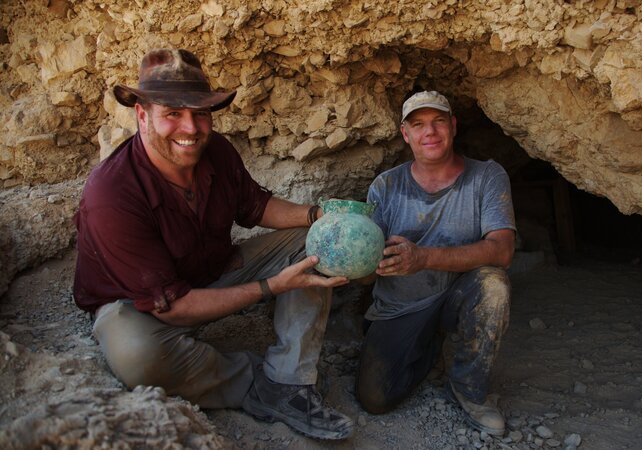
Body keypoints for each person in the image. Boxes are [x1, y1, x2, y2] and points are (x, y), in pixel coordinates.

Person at [72, 48, 354, 440]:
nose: (191, 127)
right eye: (172, 113)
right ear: (142, 115)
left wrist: (317, 216)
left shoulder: (215, 149)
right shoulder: (112, 194)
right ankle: (253, 385)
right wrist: (271, 287)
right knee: (137, 357)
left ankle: (289, 381)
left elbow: (253, 206)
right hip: (141, 305)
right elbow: (173, 307)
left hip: (211, 271)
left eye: (200, 112)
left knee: (317, 243)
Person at [355, 91, 516, 435]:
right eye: (418, 125)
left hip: (457, 296)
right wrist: (361, 264)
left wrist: (423, 257)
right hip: (400, 307)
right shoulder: (385, 186)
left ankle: (469, 389)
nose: (430, 132)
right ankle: (431, 349)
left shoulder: (486, 176)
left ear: (453, 126)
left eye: (438, 121)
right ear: (405, 134)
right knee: (375, 399)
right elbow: (368, 270)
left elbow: (502, 250)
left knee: (493, 284)